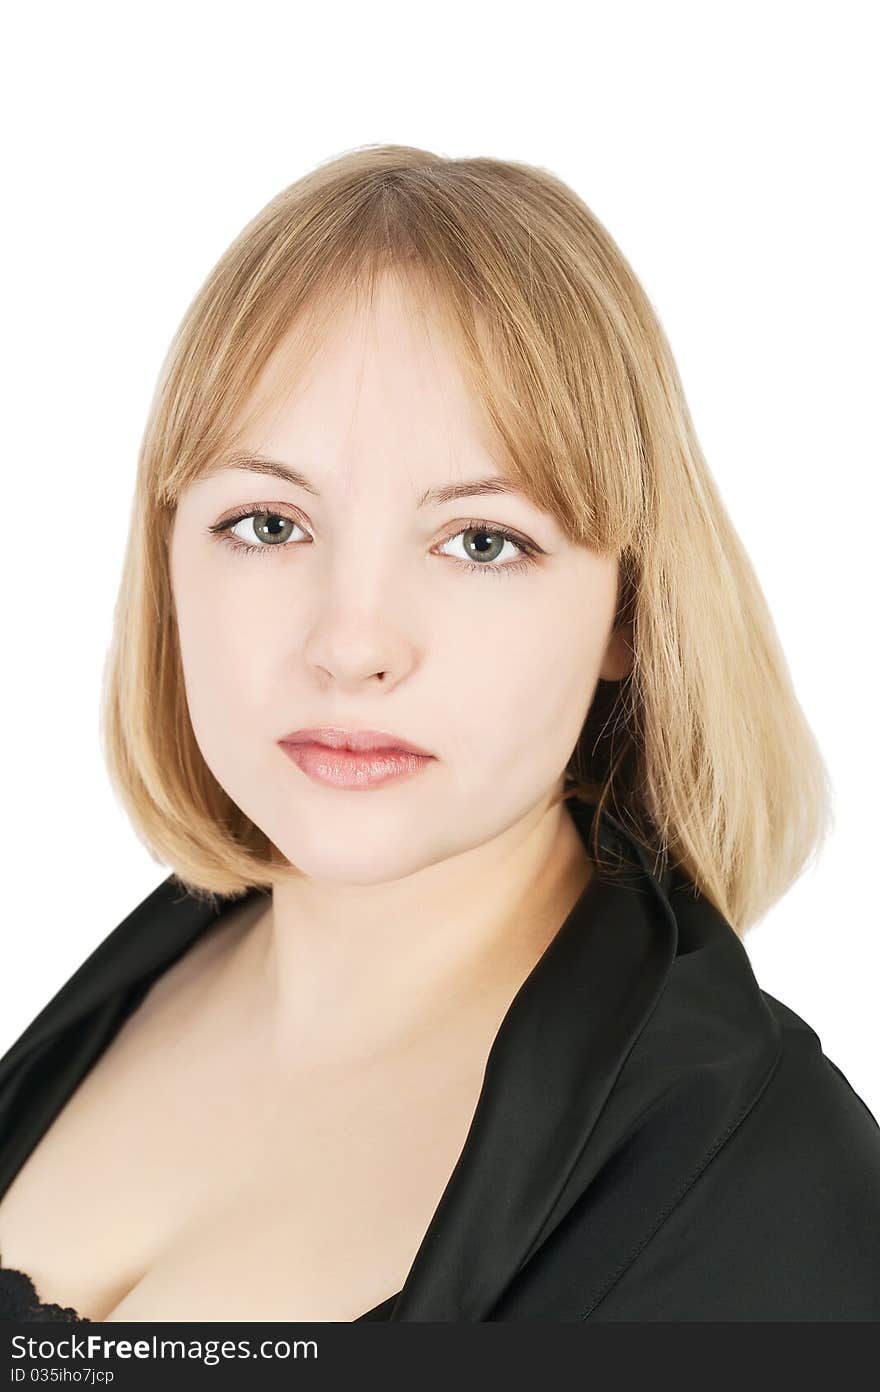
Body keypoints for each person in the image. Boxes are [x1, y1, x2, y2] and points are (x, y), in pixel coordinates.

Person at [1, 144, 878, 1324]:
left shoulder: (766, 1181)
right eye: (267, 523)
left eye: (479, 541)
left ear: (627, 606)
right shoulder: (136, 980)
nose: (351, 645)